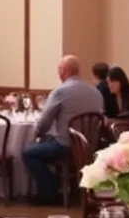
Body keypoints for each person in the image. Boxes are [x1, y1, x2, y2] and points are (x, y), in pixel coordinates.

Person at [22, 55, 103, 205]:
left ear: (63, 71)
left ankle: (50, 188)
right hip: (90, 147)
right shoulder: (96, 92)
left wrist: (39, 134)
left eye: (59, 70)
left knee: (29, 153)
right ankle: (69, 187)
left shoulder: (60, 91)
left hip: (66, 146)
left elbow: (44, 124)